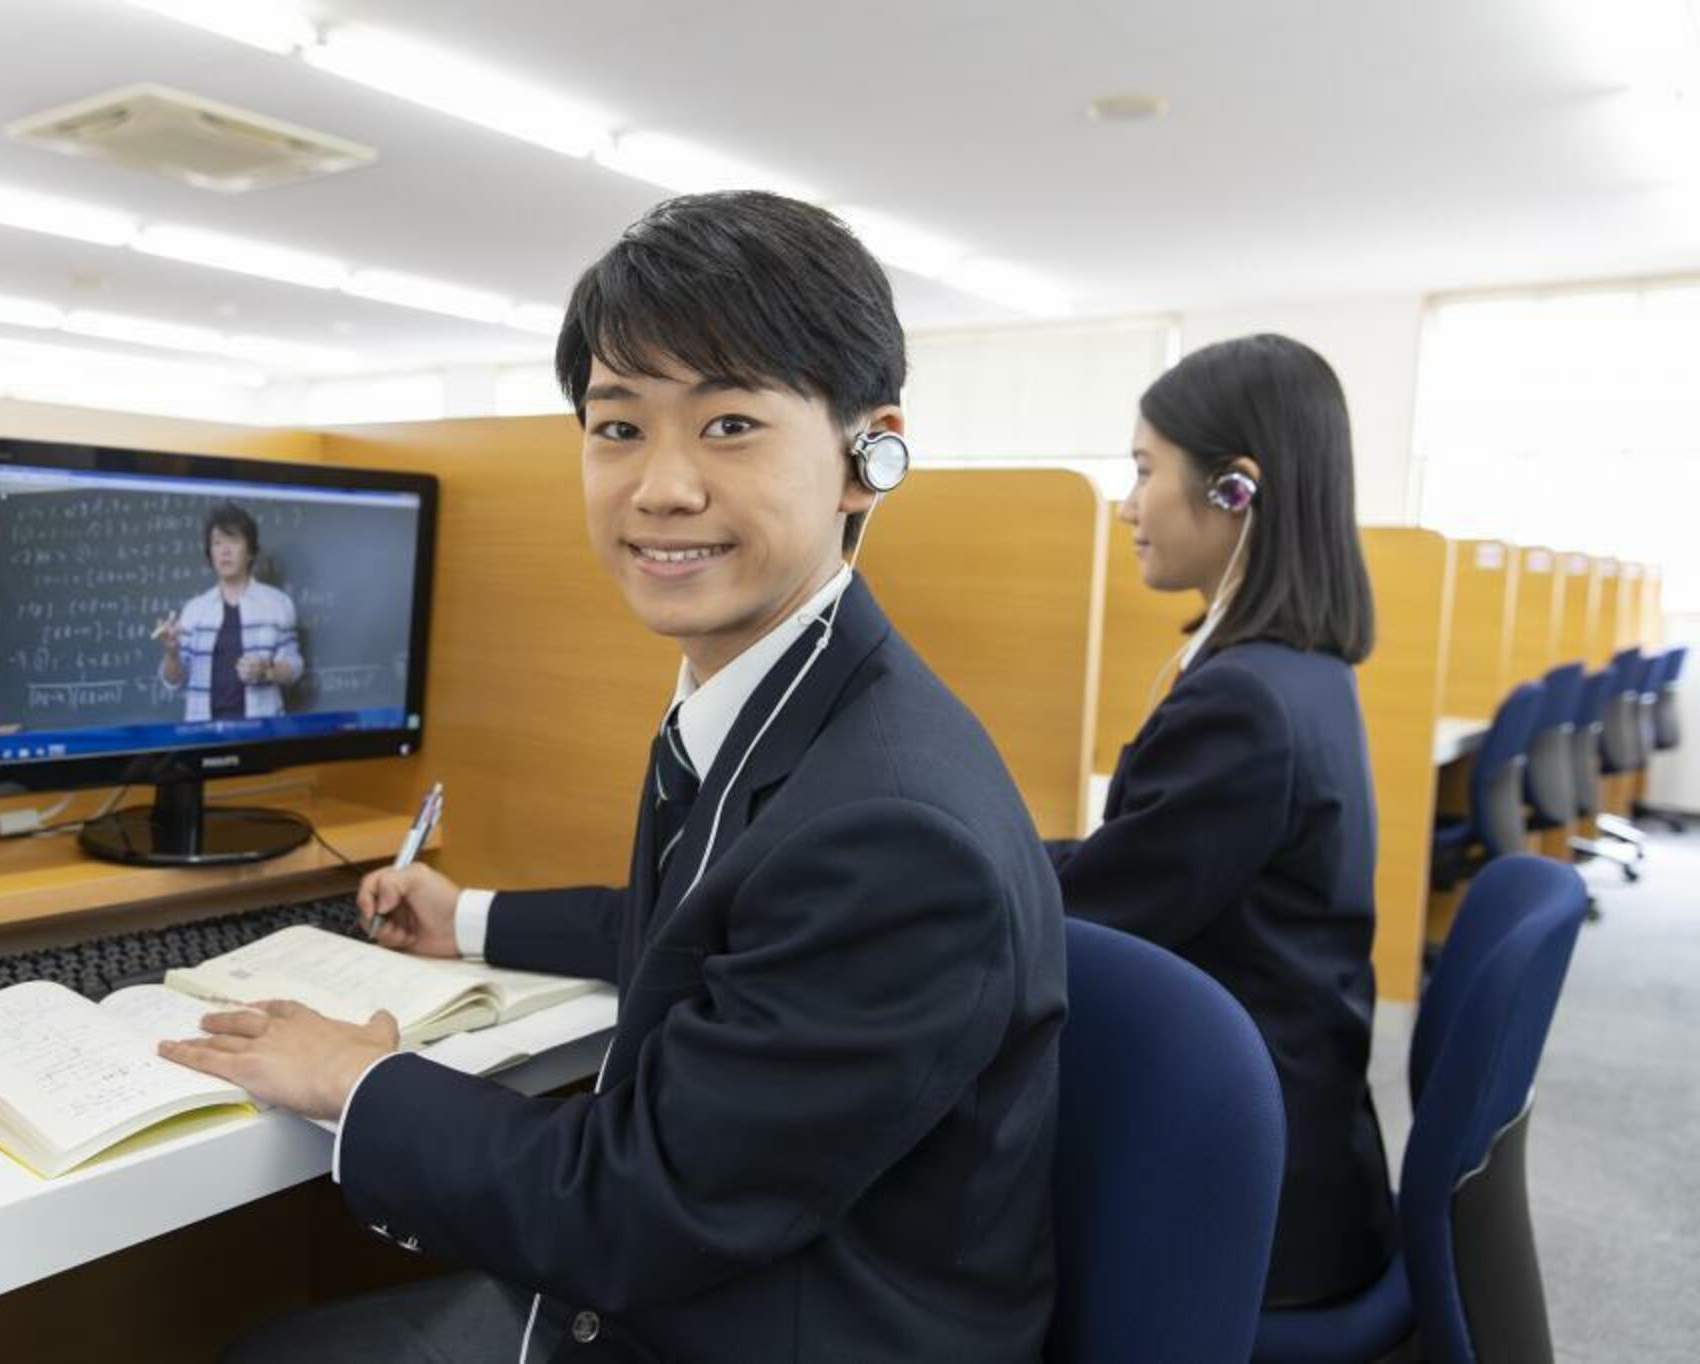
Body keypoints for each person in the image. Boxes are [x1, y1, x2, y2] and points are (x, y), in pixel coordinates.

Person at [161, 191, 1066, 1362]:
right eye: (618, 426)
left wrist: (360, 1076)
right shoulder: (788, 695)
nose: (660, 487)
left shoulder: (893, 829)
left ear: (865, 453)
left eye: (729, 423)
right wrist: (468, 915)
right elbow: (708, 928)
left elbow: (632, 1208)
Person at [1048, 333, 1394, 1308]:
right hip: (1310, 1153)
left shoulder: (1242, 704)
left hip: (1248, 1201)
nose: (1125, 504)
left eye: (1143, 469)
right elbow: (1129, 868)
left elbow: (1086, 921)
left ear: (1235, 489)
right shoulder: (1301, 673)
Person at [155, 502, 303, 722]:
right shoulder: (195, 610)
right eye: (217, 543)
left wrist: (267, 670)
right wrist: (171, 653)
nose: (225, 551)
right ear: (210, 553)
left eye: (233, 541)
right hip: (203, 734)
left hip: (262, 732)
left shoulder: (277, 604)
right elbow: (174, 681)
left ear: (250, 551)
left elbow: (295, 667)